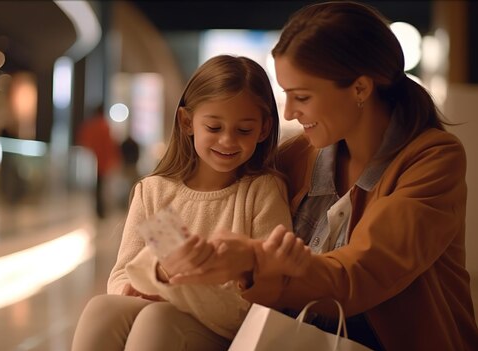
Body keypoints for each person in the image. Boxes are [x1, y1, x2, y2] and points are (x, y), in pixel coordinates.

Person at [169, 2, 478, 350]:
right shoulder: (296, 155)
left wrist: (254, 258)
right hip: (290, 337)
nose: (288, 111)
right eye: (286, 95)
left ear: (360, 88)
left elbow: (359, 274)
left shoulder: (433, 159)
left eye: (301, 96)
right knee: (129, 314)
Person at [71, 55, 311, 351]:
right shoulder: (155, 192)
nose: (227, 141)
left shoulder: (261, 191)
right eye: (214, 127)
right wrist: (157, 278)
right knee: (101, 309)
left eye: (243, 130)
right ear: (187, 122)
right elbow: (123, 276)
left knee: (159, 318)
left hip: (228, 334)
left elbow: (258, 300)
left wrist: (167, 281)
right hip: (162, 316)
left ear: (263, 129)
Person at [76, 104, 121, 218]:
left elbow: (84, 141)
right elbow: (110, 146)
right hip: (103, 163)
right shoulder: (105, 126)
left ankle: (98, 209)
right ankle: (101, 210)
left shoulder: (91, 126)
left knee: (97, 187)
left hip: (92, 161)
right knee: (102, 187)